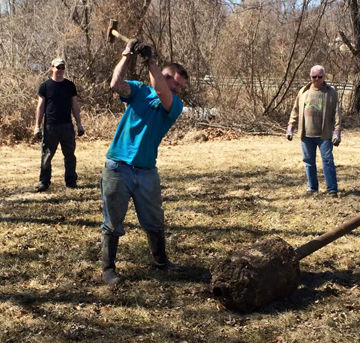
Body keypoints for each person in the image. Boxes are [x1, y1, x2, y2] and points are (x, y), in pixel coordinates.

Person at [100, 39, 189, 285]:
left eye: (181, 86)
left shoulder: (175, 105)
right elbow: (115, 84)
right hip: (118, 165)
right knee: (113, 220)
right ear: (165, 75)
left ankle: (161, 262)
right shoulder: (139, 90)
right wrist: (128, 55)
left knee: (153, 219)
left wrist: (150, 61)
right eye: (177, 83)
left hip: (147, 170)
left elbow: (162, 91)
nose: (179, 90)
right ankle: (108, 269)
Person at [286, 65, 341, 197]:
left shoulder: (330, 92)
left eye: (319, 77)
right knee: (308, 162)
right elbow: (295, 110)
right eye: (314, 77)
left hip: (324, 135)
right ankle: (312, 188)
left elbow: (337, 113)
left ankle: (332, 190)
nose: (316, 79)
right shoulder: (303, 92)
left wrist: (337, 132)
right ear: (310, 77)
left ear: (324, 77)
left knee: (328, 161)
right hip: (306, 135)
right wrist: (290, 128)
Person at [34, 58, 85, 192]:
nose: (60, 70)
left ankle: (71, 182)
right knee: (47, 155)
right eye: (58, 67)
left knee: (70, 155)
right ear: (52, 68)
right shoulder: (45, 86)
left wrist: (79, 124)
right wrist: (37, 127)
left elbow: (75, 105)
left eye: (62, 67)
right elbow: (40, 107)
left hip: (67, 126)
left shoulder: (69, 85)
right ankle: (44, 182)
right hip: (50, 126)